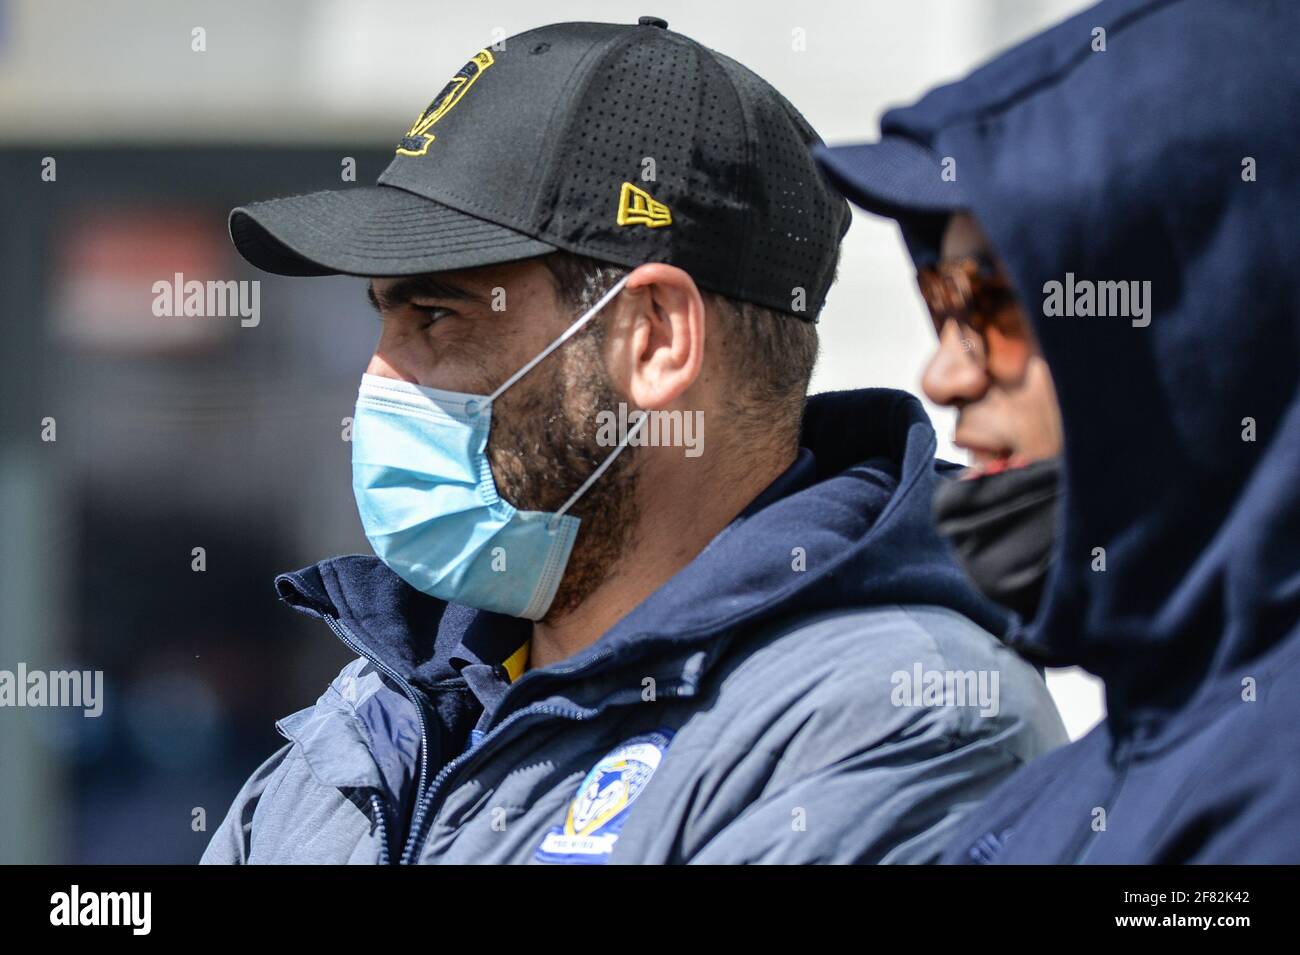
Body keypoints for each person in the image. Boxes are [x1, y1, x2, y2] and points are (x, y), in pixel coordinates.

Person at [202, 16, 1064, 865]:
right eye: (384, 317)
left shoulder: (902, 719)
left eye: (437, 314)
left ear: (655, 337)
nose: (382, 377)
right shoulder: (390, 703)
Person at [815, 0, 1300, 862]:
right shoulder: (1095, 772)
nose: (944, 374)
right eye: (941, 302)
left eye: (994, 303)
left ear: (1222, 318)